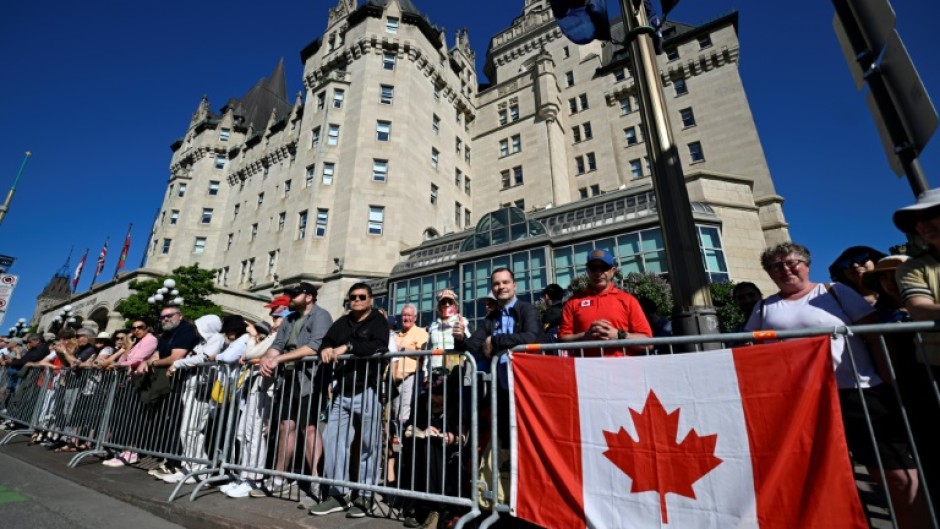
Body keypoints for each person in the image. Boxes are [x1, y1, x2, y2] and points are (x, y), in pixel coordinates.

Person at [745, 242, 927, 529]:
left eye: (792, 262)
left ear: (807, 265)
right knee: (830, 478)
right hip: (804, 402)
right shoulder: (764, 307)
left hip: (859, 392)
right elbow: (753, 352)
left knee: (895, 474)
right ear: (769, 273)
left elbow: (875, 337)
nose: (786, 269)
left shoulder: (835, 293)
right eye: (777, 266)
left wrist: (890, 380)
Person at [310, 283, 389, 519]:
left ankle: (365, 495)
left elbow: (378, 345)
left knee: (368, 444)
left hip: (368, 389)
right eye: (352, 297)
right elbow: (327, 340)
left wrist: (349, 346)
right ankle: (338, 493)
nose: (356, 300)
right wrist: (325, 348)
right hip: (342, 389)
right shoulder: (342, 322)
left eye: (361, 297)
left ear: (370, 299)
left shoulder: (378, 321)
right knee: (332, 440)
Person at [254, 282, 333, 500]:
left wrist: (277, 358)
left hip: (311, 378)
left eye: (296, 294)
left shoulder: (321, 315)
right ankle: (279, 478)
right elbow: (277, 344)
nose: (291, 297)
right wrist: (267, 359)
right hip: (288, 377)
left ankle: (317, 481)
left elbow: (314, 346)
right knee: (285, 426)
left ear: (309, 297)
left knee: (309, 428)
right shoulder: (289, 318)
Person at [453, 267, 541, 448]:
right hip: (499, 383)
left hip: (523, 380)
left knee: (526, 431)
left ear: (514, 286)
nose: (501, 287)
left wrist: (495, 340)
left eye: (505, 282)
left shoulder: (527, 309)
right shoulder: (490, 318)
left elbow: (531, 337)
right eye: (496, 284)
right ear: (492, 289)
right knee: (505, 432)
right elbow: (472, 345)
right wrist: (460, 338)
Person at [893, 188, 940, 516]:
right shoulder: (912, 269)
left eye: (931, 215)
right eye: (917, 219)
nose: (923, 224)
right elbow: (920, 309)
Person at [162, 314, 224, 484]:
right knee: (187, 430)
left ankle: (198, 469)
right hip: (192, 388)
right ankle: (189, 466)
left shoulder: (216, 338)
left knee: (192, 429)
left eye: (198, 326)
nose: (195, 330)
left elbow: (206, 357)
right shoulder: (202, 342)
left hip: (203, 390)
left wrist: (178, 363)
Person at [558, 249, 653, 356]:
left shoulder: (628, 300)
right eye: (593, 268)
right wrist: (585, 337)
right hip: (586, 371)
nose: (598, 273)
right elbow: (562, 340)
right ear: (588, 271)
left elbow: (648, 343)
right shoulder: (573, 302)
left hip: (623, 370)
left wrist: (619, 335)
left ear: (613, 271)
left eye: (603, 268)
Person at [427, 290, 469, 371]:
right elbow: (428, 350)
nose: (447, 304)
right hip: (435, 370)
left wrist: (462, 333)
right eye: (443, 302)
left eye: (450, 302)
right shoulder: (433, 326)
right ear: (439, 307)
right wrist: (426, 373)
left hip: (455, 369)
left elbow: (469, 343)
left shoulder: (462, 322)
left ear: (455, 306)